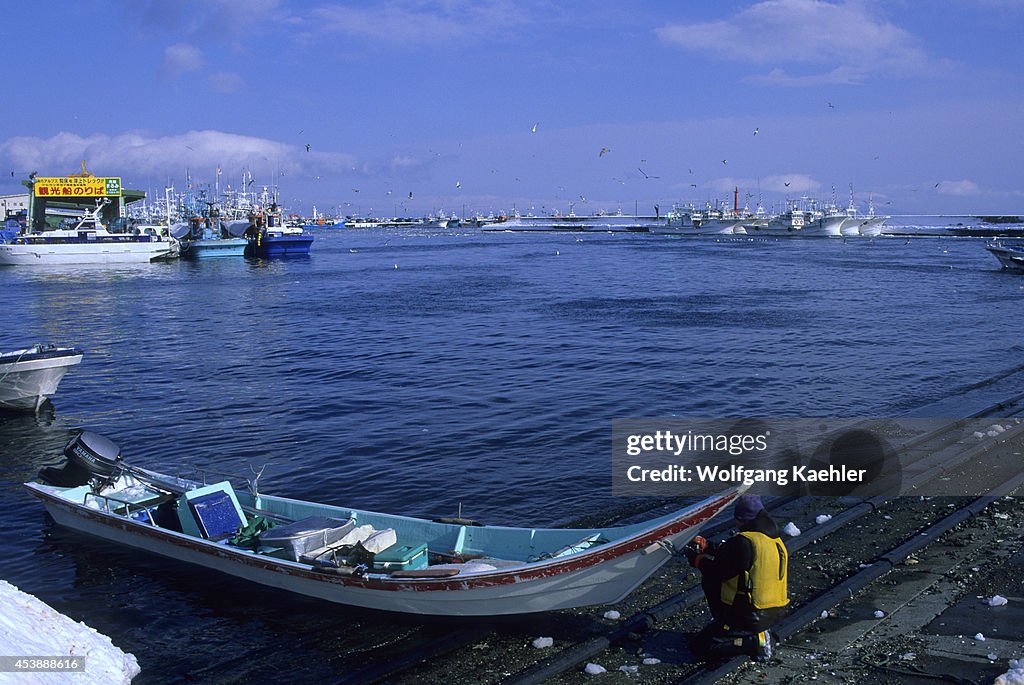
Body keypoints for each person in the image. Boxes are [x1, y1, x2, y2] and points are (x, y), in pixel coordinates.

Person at [683, 494, 789, 662]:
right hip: (774, 611)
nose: (736, 524)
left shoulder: (743, 542)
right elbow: (732, 555)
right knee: (704, 638)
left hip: (751, 616)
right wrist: (708, 546)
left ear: (743, 519)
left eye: (738, 519)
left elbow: (717, 571)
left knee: (701, 647)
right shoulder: (771, 538)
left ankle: (754, 641)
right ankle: (749, 632)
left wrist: (697, 559)